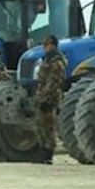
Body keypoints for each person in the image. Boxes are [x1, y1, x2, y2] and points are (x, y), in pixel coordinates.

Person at [33, 35, 67, 164]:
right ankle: (42, 151)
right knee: (39, 125)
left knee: (48, 126)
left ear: (52, 45)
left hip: (50, 97)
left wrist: (46, 98)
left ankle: (48, 154)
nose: (44, 47)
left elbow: (54, 81)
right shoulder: (47, 59)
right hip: (42, 95)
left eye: (46, 45)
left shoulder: (56, 61)